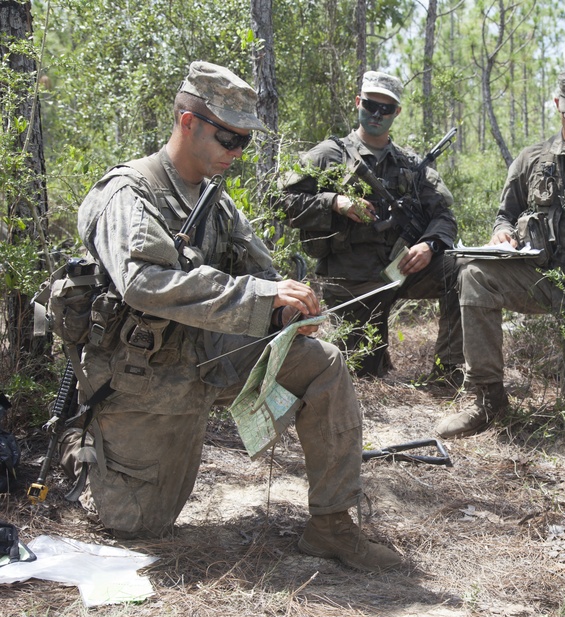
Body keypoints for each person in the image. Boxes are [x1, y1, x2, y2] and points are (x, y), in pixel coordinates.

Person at [70, 61, 401, 572]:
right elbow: (143, 284)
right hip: (146, 383)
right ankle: (85, 447)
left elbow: (260, 271)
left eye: (245, 142)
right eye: (229, 139)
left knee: (321, 363)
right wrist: (260, 296)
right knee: (137, 529)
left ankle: (331, 526)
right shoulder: (128, 194)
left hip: (208, 362)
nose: (237, 153)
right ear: (188, 123)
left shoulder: (214, 199)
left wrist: (287, 309)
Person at [434, 67, 565, 439]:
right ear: (556, 106)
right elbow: (505, 213)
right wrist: (502, 232)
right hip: (539, 277)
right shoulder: (533, 158)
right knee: (474, 274)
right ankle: (487, 398)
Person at [281, 71, 462, 382]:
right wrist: (334, 201)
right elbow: (280, 201)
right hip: (354, 278)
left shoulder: (411, 164)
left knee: (463, 271)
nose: (377, 114)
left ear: (397, 113)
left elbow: (444, 215)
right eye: (370, 105)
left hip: (403, 270)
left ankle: (448, 373)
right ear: (357, 103)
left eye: (386, 109)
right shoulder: (329, 154)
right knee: (363, 373)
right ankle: (376, 355)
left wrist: (430, 245)